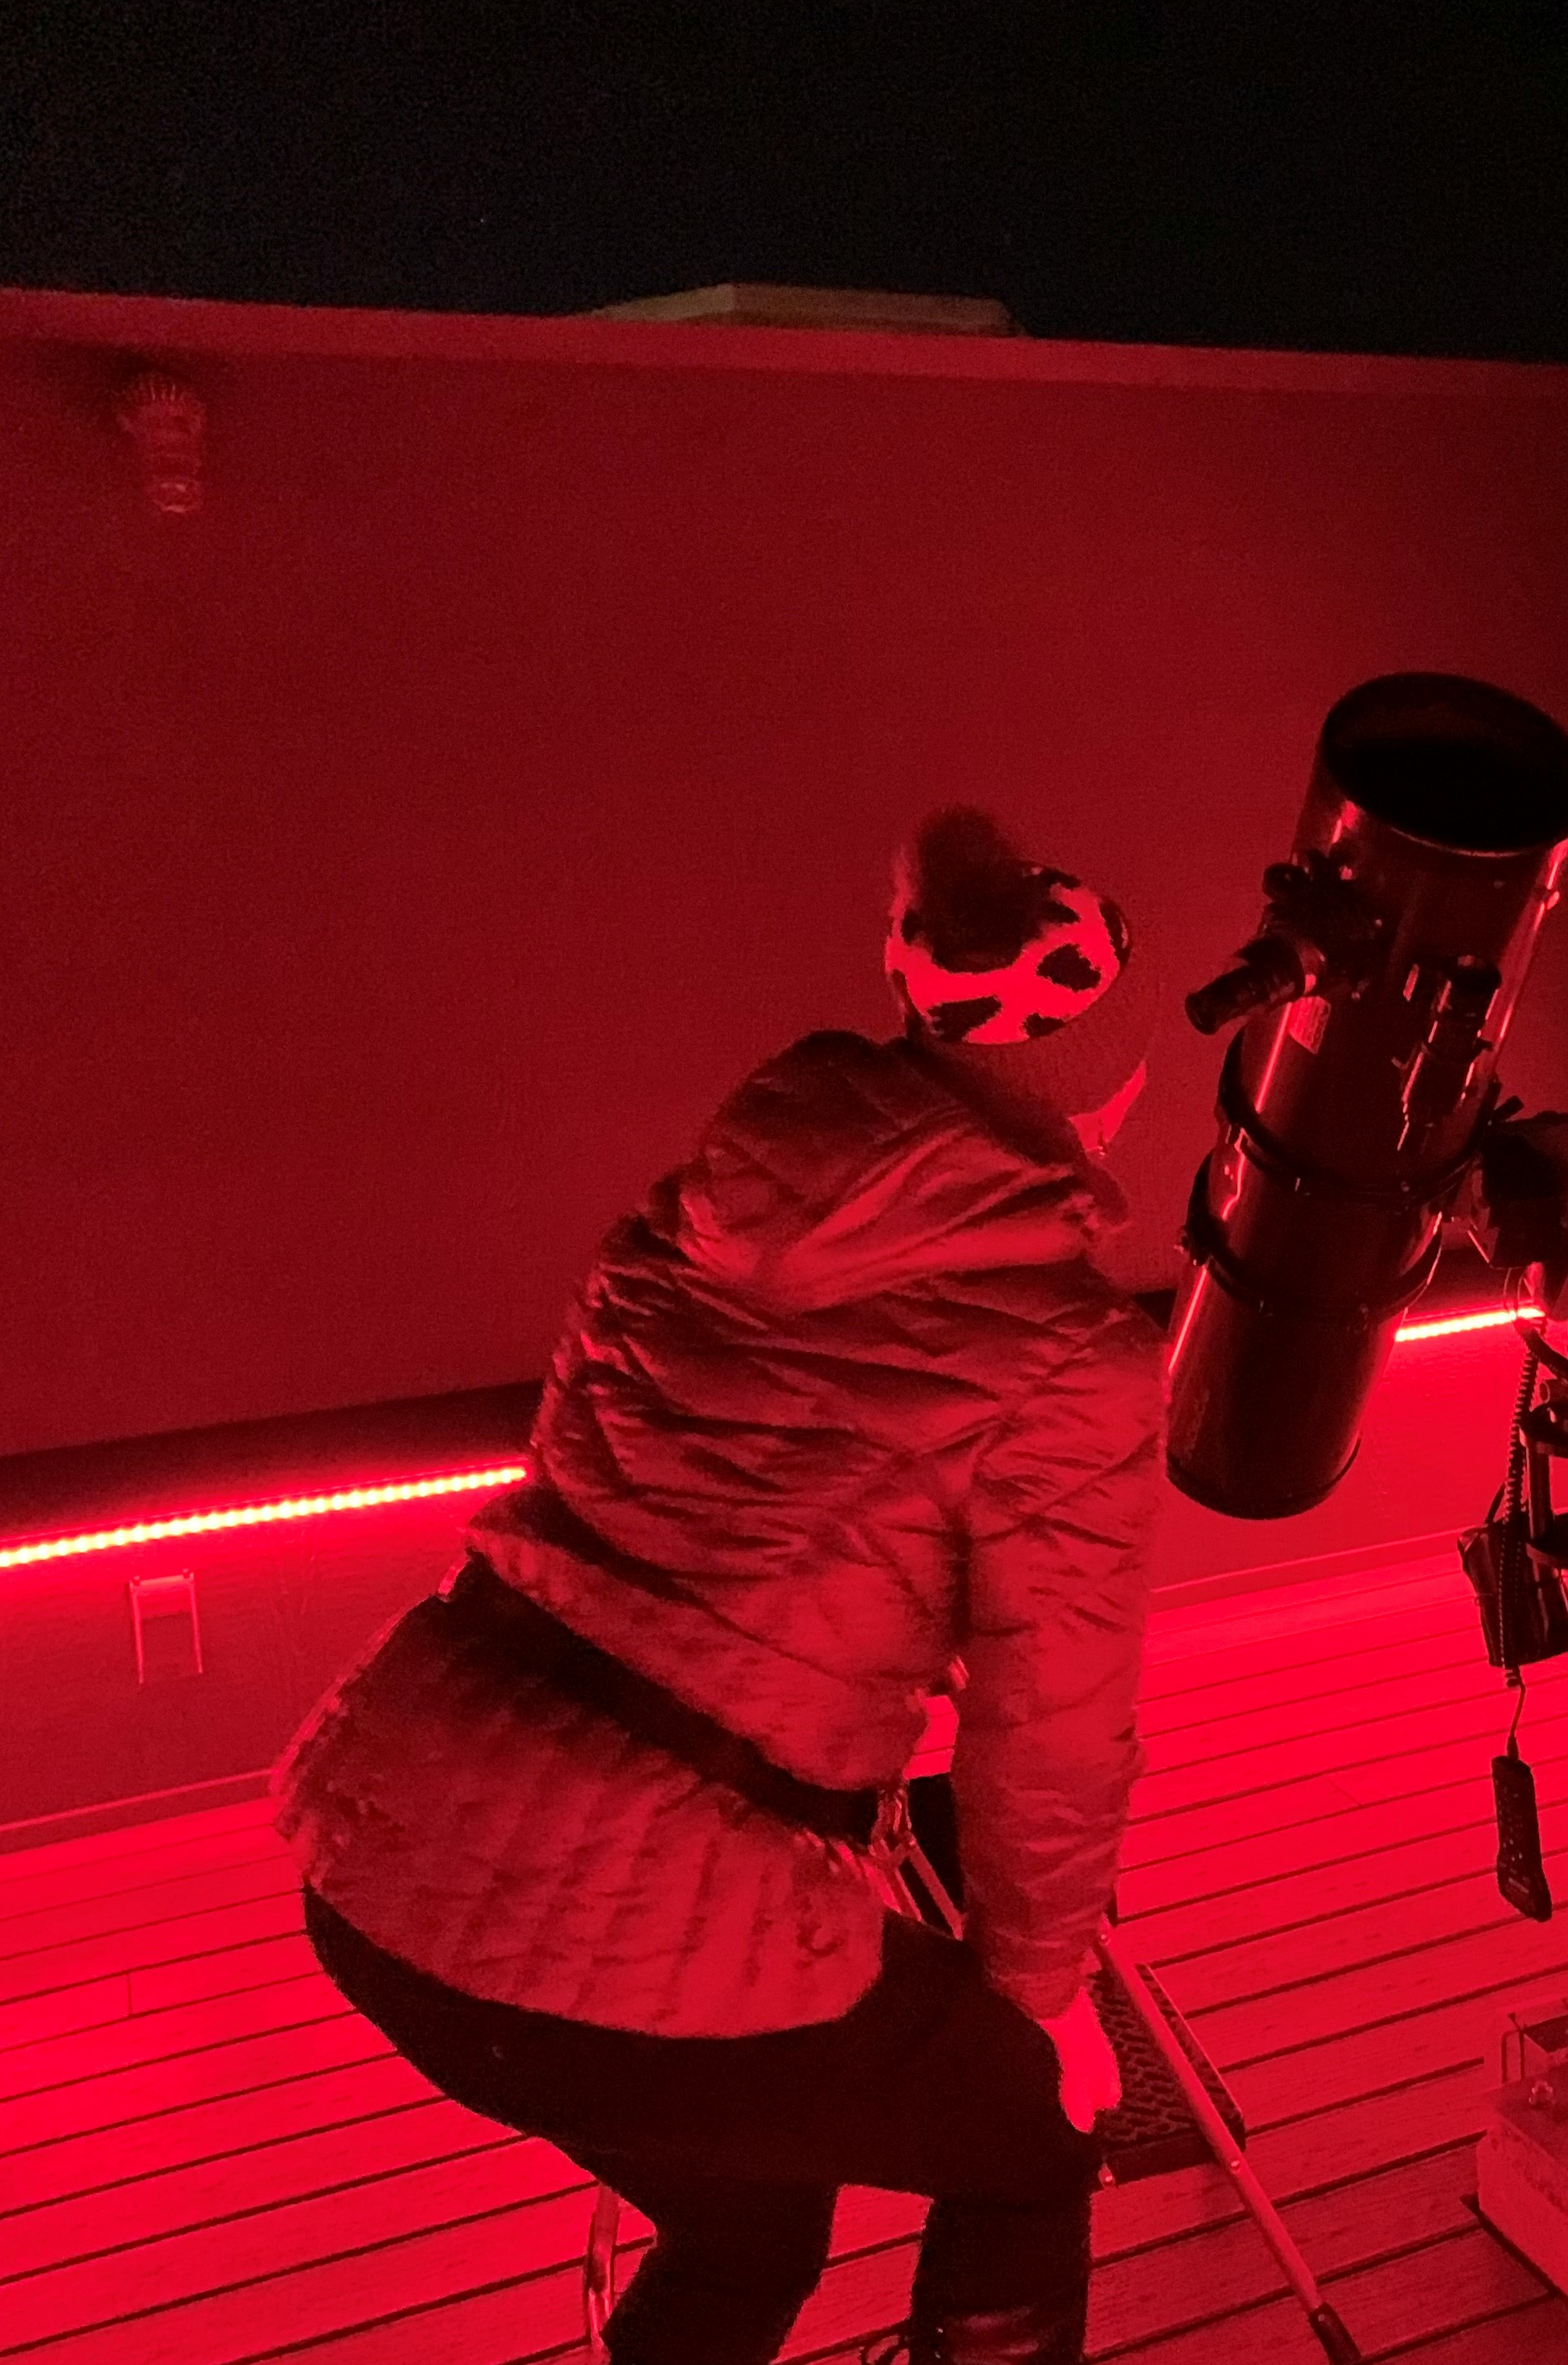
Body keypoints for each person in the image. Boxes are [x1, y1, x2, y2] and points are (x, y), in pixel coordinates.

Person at [271, 807, 1165, 2365]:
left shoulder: (694, 1220)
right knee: (1032, 2139)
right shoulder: (1068, 1357)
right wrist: (1038, 2005)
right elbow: (1055, 1732)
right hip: (647, 1920)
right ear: (1094, 1104)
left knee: (753, 2215)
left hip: (381, 1854)